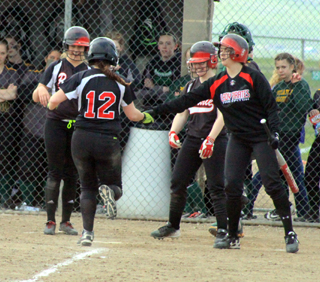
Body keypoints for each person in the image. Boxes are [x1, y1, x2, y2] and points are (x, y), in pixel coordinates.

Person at [146, 34, 299, 253]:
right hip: (238, 138)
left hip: (260, 137)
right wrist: (154, 112)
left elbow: (271, 108)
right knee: (232, 187)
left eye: (226, 50)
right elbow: (185, 102)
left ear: (239, 53)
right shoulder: (218, 82)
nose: (222, 53)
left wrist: (274, 133)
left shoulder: (253, 77)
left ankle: (289, 232)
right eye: (221, 50)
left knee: (272, 184)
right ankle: (232, 235)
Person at [47, 37, 154, 246]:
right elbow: (132, 115)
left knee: (87, 187)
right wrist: (145, 117)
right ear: (113, 57)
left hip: (81, 137)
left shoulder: (81, 77)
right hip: (107, 140)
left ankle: (87, 233)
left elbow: (52, 102)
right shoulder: (121, 81)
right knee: (116, 187)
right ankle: (109, 192)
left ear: (91, 55)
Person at [150, 41, 230, 249]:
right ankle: (173, 225)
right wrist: (173, 131)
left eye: (201, 62)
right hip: (193, 138)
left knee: (215, 186)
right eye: (194, 63)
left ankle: (223, 229)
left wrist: (211, 139)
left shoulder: (221, 83)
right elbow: (182, 110)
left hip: (216, 138)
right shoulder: (192, 85)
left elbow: (223, 115)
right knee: (178, 181)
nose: (197, 67)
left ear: (213, 61)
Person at [32, 26, 90, 236]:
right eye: (73, 46)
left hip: (78, 124)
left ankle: (66, 220)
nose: (76, 50)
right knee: (55, 171)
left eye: (81, 47)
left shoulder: (89, 69)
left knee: (72, 172)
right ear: (66, 46)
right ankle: (50, 220)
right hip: (56, 122)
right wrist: (40, 88)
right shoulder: (56, 66)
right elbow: (38, 92)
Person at [244, 56, 308, 220]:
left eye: (284, 67)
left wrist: (294, 89)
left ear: (292, 67)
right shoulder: (278, 87)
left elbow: (303, 107)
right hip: (278, 136)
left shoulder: (300, 85)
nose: (280, 70)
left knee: (270, 174)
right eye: (278, 67)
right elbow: (271, 108)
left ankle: (300, 211)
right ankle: (301, 210)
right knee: (291, 174)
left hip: (290, 135)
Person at [17, 50, 62, 208]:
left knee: (50, 169)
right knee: (28, 168)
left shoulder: (64, 78)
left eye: (57, 58)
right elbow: (22, 92)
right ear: (45, 59)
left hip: (55, 131)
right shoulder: (34, 75)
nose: (54, 60)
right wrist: (41, 89)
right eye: (51, 57)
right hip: (32, 130)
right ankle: (28, 202)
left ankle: (46, 203)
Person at [137, 32, 181, 130]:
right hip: (151, 104)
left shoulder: (179, 63)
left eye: (168, 43)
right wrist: (163, 89)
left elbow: (176, 91)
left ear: (175, 46)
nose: (164, 46)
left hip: (171, 107)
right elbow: (144, 89)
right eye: (161, 43)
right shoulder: (152, 63)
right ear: (158, 46)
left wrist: (154, 87)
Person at [0, 37, 19, 206]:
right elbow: (6, 94)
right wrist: (3, 93)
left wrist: (7, 93)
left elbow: (12, 94)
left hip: (6, 121)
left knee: (5, 158)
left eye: (2, 53)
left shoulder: (12, 72)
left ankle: (4, 197)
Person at [303, 91, 320, 223]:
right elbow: (311, 110)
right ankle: (314, 211)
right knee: (310, 175)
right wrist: (312, 110)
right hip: (319, 140)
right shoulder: (318, 94)